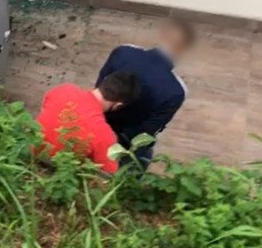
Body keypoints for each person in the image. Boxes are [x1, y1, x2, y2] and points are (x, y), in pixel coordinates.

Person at [98, 18, 196, 168]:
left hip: (98, 121)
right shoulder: (176, 91)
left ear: (162, 35)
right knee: (142, 155)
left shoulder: (123, 52)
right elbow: (148, 130)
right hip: (125, 141)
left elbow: (100, 87)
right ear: (184, 49)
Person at [36, 72, 142, 174]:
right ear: (118, 105)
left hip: (30, 154)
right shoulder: (104, 135)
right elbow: (106, 178)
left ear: (104, 82)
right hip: (59, 174)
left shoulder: (63, 90)